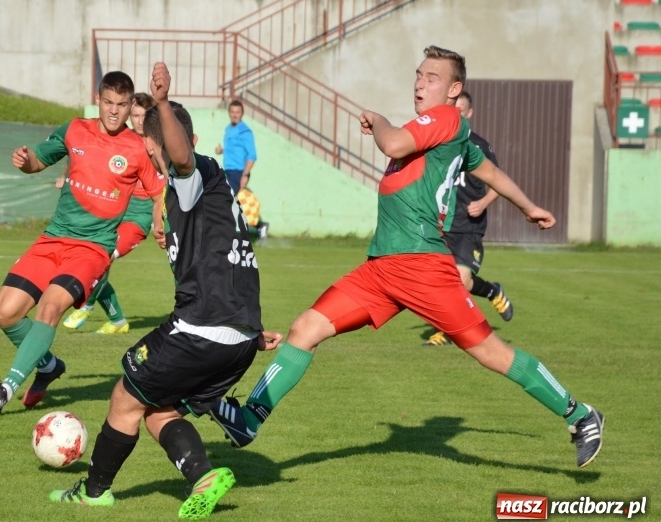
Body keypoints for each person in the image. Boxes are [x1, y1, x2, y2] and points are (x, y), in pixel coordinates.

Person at [210, 45, 605, 470]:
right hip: (382, 268)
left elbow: (394, 142)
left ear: (455, 89)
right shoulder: (444, 135)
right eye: (418, 74)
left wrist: (379, 120)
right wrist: (528, 206)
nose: (420, 82)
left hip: (421, 266)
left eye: (432, 77)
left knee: (492, 352)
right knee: (306, 327)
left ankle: (581, 415)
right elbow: (489, 171)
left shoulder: (447, 119)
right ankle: (250, 418)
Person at [48, 62, 282, 519]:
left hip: (201, 329)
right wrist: (249, 334)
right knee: (156, 406)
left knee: (124, 394)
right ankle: (204, 476)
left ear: (153, 144)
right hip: (236, 337)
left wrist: (158, 103)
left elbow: (178, 159)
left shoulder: (191, 177)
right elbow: (223, 264)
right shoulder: (204, 196)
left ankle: (95, 491)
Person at [0, 72, 165, 414]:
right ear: (99, 100)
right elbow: (38, 160)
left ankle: (7, 387)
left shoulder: (137, 148)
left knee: (49, 308)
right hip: (52, 239)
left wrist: (159, 223)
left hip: (92, 249)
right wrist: (25, 162)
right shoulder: (75, 129)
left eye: (122, 105)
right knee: (5, 313)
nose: (114, 112)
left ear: (129, 108)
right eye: (108, 103)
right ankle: (48, 366)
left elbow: (158, 193)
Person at [62, 92, 167, 333]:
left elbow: (163, 186)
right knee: (97, 262)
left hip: (138, 218)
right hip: (115, 213)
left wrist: (159, 219)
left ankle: (85, 305)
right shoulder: (124, 140)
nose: (139, 121)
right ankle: (118, 321)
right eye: (136, 115)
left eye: (144, 116)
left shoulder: (158, 145)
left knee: (103, 257)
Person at [423, 89, 513, 346]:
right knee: (449, 282)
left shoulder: (479, 146)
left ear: (469, 113)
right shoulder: (440, 144)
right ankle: (492, 290)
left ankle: (447, 331)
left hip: (469, 228)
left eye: (461, 111)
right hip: (443, 226)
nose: (456, 115)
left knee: (459, 281)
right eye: (453, 110)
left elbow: (499, 181)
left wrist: (483, 202)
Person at [215, 99, 270, 240]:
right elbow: (234, 149)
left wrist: (245, 174)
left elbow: (252, 155)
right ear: (229, 113)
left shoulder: (245, 131)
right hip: (228, 171)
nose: (235, 115)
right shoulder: (228, 129)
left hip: (239, 172)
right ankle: (260, 225)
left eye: (237, 112)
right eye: (232, 112)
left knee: (226, 200)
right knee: (236, 203)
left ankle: (228, 235)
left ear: (242, 114)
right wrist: (222, 150)